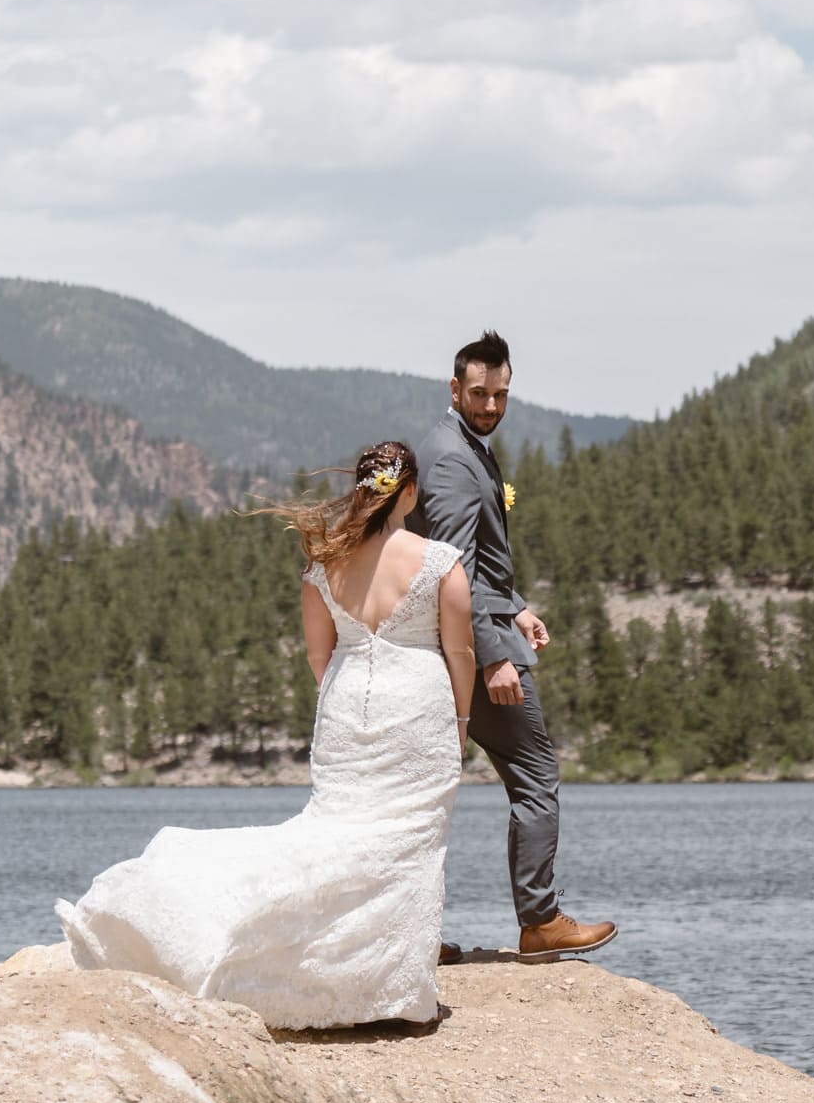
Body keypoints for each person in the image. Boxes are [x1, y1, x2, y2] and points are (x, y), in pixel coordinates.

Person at [55, 441, 474, 1029]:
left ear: (362, 490)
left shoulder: (325, 564)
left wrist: (345, 701)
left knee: (336, 833)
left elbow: (317, 654)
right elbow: (460, 649)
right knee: (405, 847)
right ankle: (388, 987)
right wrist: (461, 720)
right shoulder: (440, 562)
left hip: (348, 711)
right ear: (407, 493)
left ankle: (344, 974)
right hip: (419, 714)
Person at [410, 331, 617, 962]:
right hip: (472, 655)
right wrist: (494, 655)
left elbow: (482, 566)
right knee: (536, 775)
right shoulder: (450, 458)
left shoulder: (465, 447)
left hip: (481, 635)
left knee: (423, 793)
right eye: (479, 393)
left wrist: (517, 605)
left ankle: (409, 933)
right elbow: (453, 570)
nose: (491, 406)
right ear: (455, 389)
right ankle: (541, 920)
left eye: (501, 395)